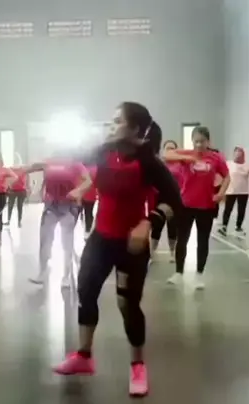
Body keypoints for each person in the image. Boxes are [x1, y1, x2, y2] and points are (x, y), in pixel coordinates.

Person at [52, 102, 181, 398]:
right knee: (86, 290)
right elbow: (82, 164)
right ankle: (84, 356)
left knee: (127, 304)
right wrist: (82, 187)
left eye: (116, 121)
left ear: (134, 129)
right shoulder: (103, 152)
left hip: (131, 245)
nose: (110, 126)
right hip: (101, 238)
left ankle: (138, 366)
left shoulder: (149, 162)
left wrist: (149, 222)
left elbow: (174, 200)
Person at [163, 127, 229, 289]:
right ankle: (178, 273)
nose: (199, 145)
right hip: (186, 204)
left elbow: (227, 177)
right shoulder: (187, 153)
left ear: (208, 141)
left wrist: (221, 193)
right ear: (192, 141)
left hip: (206, 206)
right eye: (196, 141)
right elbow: (166, 155)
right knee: (182, 239)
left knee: (202, 241)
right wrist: (187, 158)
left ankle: (199, 274)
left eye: (202, 141)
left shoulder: (216, 158)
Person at [24, 150, 92, 288]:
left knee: (66, 241)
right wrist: (20, 170)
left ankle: (66, 276)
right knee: (45, 240)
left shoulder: (75, 164)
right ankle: (42, 272)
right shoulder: (48, 162)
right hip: (51, 206)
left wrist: (78, 191)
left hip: (68, 206)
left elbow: (88, 181)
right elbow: (31, 167)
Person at [149, 140, 181, 264]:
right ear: (163, 150)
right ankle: (152, 253)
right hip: (159, 200)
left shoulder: (180, 165)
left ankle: (173, 252)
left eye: (173, 148)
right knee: (156, 227)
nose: (170, 151)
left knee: (173, 227)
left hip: (174, 200)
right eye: (168, 148)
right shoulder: (159, 164)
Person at [219, 146, 249, 237]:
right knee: (228, 209)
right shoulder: (228, 164)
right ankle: (224, 226)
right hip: (230, 190)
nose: (238, 154)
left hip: (243, 191)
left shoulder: (246, 165)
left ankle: (238, 227)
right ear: (234, 153)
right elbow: (223, 175)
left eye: (240, 152)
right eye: (237, 152)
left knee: (241, 210)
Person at [5, 153, 30, 227]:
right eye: (14, 159)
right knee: (10, 206)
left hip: (21, 190)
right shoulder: (10, 169)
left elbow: (28, 177)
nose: (15, 160)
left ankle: (19, 221)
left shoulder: (23, 169)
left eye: (16, 158)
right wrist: (7, 187)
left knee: (20, 206)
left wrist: (28, 187)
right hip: (12, 190)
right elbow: (7, 178)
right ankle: (8, 220)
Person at [80, 164, 98, 238]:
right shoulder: (96, 169)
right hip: (91, 195)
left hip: (82, 194)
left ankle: (87, 229)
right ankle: (87, 230)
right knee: (88, 213)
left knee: (83, 212)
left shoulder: (81, 168)